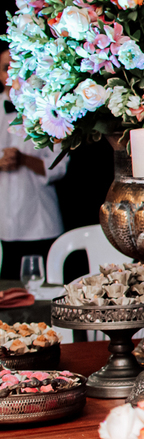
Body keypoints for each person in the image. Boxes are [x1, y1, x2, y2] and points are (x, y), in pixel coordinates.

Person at [0, 48, 67, 281]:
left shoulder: (47, 110)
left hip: (41, 222)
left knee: (45, 289)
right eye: (6, 68)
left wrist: (24, 159)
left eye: (17, 66)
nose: (12, 73)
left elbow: (60, 167)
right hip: (3, 224)